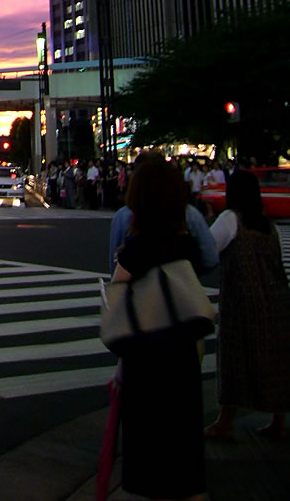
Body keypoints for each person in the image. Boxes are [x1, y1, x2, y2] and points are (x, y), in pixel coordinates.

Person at [112, 154, 206, 500]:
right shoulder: (187, 244)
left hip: (145, 358)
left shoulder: (136, 248)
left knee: (149, 457)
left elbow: (117, 294)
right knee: (186, 458)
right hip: (184, 354)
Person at [203, 168, 290, 441]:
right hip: (275, 298)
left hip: (241, 299)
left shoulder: (230, 219)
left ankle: (225, 421)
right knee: (274, 359)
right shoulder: (268, 226)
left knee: (234, 359)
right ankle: (278, 420)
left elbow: (208, 250)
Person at [109, 158, 218, 275]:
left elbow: (115, 264)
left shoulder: (124, 216)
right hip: (182, 280)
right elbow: (210, 258)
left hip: (139, 284)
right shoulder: (189, 213)